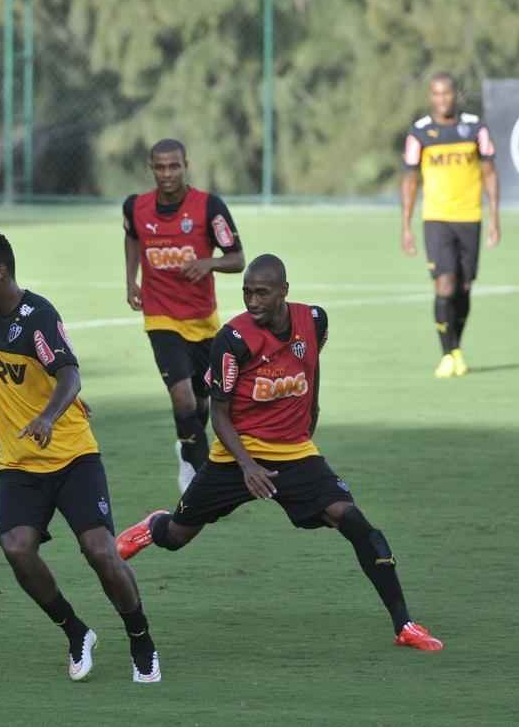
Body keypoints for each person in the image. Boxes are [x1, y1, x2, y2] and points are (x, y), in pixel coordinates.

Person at [117, 254, 444, 652]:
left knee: (358, 524)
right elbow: (218, 416)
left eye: (261, 293)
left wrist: (314, 408)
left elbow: (310, 363)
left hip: (295, 453)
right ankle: (154, 525)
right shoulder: (232, 340)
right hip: (236, 457)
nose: (252, 301)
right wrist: (247, 466)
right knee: (177, 537)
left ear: (284, 292)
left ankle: (404, 624)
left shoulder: (315, 320)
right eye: (247, 292)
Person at [0, 230, 161, 683]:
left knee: (100, 552)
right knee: (16, 548)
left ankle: (141, 639)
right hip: (18, 462)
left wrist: (52, 415)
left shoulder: (39, 317)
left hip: (71, 455)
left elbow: (69, 373)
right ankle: (76, 632)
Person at [123, 138, 244, 493]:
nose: (167, 174)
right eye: (159, 167)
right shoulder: (136, 207)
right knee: (183, 398)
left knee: (202, 402)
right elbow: (132, 237)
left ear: (185, 165)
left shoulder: (210, 207)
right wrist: (131, 279)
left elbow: (237, 258)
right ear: (151, 168)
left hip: (203, 320)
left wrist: (209, 262)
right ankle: (204, 477)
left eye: (173, 166)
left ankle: (187, 449)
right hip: (160, 316)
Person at [400, 72, 501, 378]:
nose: (442, 99)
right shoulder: (419, 134)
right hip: (437, 219)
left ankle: (456, 346)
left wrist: (495, 215)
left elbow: (489, 172)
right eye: (436, 93)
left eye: (447, 93)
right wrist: (405, 224)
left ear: (455, 95)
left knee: (465, 288)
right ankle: (447, 353)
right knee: (445, 284)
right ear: (431, 96)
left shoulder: (475, 128)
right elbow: (410, 179)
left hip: (470, 217)